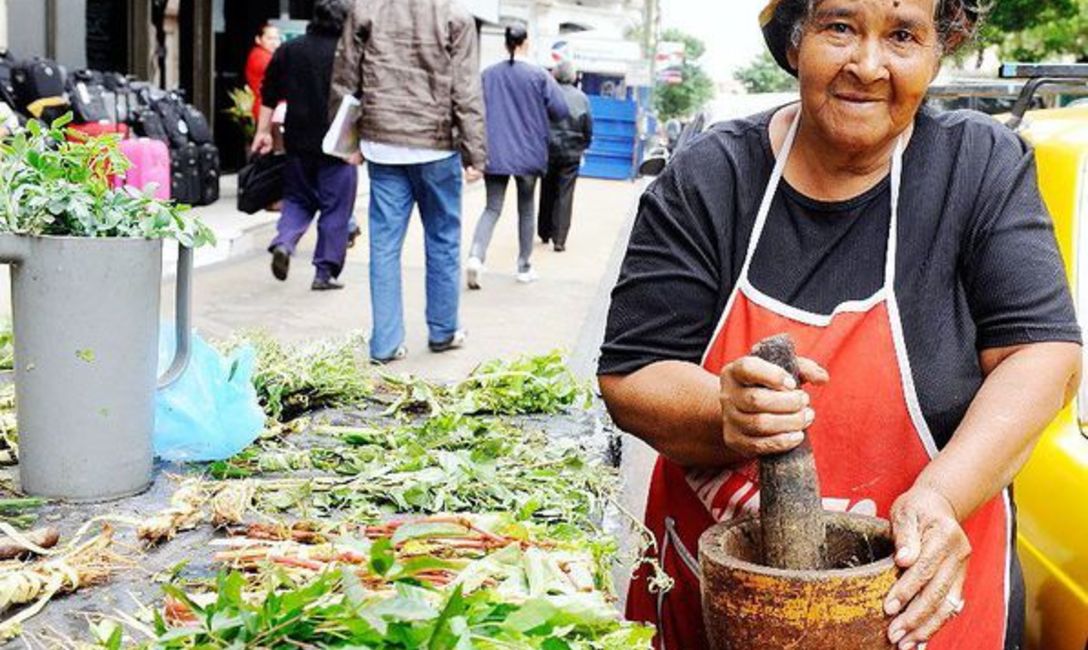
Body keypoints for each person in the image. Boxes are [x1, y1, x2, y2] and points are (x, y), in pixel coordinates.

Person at [597, 1, 1082, 649]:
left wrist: (940, 497)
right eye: (840, 27)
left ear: (942, 50)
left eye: (904, 36)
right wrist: (724, 413)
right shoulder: (711, 177)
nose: (868, 65)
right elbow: (632, 374)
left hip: (923, 612)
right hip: (722, 608)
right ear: (795, 40)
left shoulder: (978, 167)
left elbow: (1042, 356)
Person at [330, 0, 486, 363]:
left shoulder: (365, 9)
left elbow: (344, 78)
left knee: (384, 245)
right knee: (444, 240)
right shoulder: (455, 16)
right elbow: (466, 90)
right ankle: (444, 331)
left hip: (382, 144)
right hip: (436, 146)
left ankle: (384, 344)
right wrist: (475, 152)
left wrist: (347, 143)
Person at [253, 0, 356, 291]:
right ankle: (324, 273)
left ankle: (284, 242)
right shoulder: (347, 54)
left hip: (297, 141)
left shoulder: (290, 49)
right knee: (336, 209)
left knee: (297, 199)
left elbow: (269, 93)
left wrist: (263, 132)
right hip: (338, 145)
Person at [465, 25, 569, 289]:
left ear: (505, 43)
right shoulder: (539, 76)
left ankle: (476, 256)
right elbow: (560, 110)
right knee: (526, 209)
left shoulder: (488, 75)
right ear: (525, 42)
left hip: (495, 153)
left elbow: (473, 110)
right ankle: (524, 266)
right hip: (528, 156)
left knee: (492, 208)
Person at [537, 60, 592, 252]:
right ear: (573, 76)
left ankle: (544, 232)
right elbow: (587, 128)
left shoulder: (548, 95)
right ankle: (559, 239)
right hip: (571, 152)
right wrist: (583, 146)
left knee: (547, 190)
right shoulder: (583, 99)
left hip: (548, 150)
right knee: (565, 194)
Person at [245, 22, 282, 124]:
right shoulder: (262, 57)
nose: (274, 42)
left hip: (267, 108)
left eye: (277, 38)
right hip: (269, 110)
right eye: (270, 38)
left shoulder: (263, 55)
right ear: (258, 39)